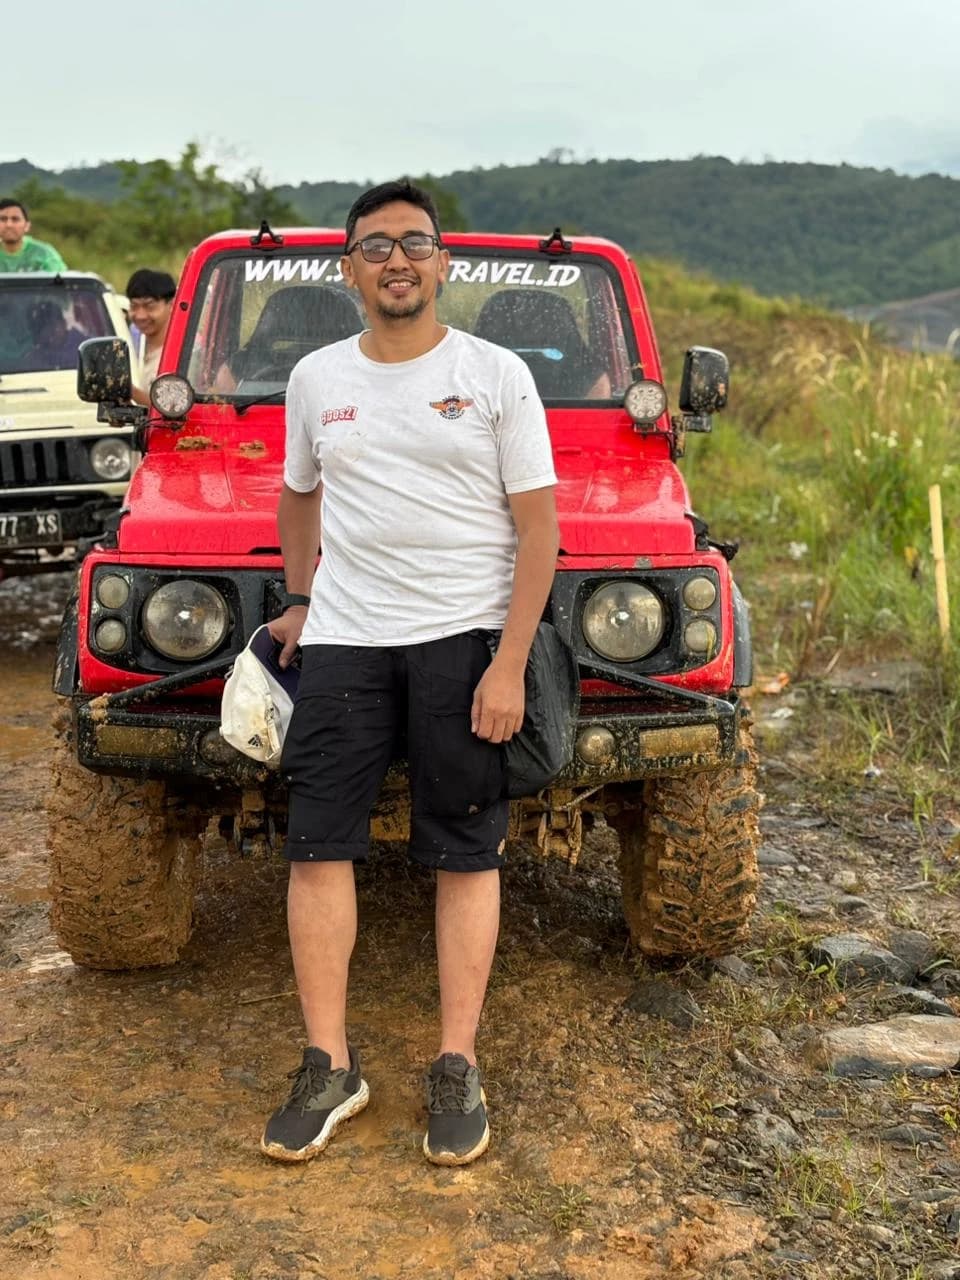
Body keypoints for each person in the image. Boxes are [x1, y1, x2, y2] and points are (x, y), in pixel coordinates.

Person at [262, 179, 559, 1167]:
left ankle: (456, 1062)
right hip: (346, 637)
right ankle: (328, 1061)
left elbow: (539, 528)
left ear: (444, 262)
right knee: (317, 845)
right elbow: (297, 498)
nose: (397, 259)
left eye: (415, 243)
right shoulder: (314, 378)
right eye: (376, 244)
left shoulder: (496, 373)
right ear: (349, 268)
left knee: (467, 850)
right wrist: (301, 599)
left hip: (464, 640)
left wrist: (510, 660)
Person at [125, 268, 176, 405]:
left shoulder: (182, 353)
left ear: (171, 305)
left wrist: (128, 391)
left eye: (149, 306)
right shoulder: (130, 344)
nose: (140, 316)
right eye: (134, 306)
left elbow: (170, 408)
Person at [0, 199, 67, 273]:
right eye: (3, 219)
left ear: (27, 226)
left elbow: (62, 281)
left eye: (15, 219)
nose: (9, 225)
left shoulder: (44, 254)